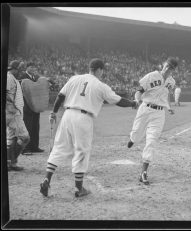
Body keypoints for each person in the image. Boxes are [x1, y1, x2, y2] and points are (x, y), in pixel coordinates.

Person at [39, 58, 137, 198]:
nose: (102, 73)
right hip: (83, 118)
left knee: (59, 148)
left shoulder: (74, 78)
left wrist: (53, 112)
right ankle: (79, 189)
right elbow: (118, 100)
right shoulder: (100, 85)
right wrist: (133, 103)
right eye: (102, 70)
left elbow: (60, 96)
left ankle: (47, 179)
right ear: (99, 69)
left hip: (67, 115)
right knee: (82, 151)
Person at [127, 57, 178, 185]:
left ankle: (143, 172)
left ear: (173, 70)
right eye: (167, 65)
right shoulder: (152, 76)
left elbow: (166, 95)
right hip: (145, 108)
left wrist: (169, 107)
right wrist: (137, 100)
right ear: (163, 64)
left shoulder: (172, 82)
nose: (168, 68)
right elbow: (139, 91)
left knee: (152, 140)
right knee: (137, 134)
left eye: (171, 67)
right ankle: (133, 139)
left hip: (159, 114)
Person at [6, 60, 30, 171]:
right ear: (14, 69)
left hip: (12, 112)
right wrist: (9, 106)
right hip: (13, 113)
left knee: (10, 139)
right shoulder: (9, 77)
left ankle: (10, 163)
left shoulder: (11, 78)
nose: (19, 72)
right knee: (24, 137)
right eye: (18, 70)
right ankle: (11, 161)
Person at [21, 62, 44, 153]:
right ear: (27, 68)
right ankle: (25, 148)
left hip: (36, 106)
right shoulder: (23, 77)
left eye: (34, 67)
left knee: (35, 127)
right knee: (28, 127)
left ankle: (34, 146)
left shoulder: (35, 77)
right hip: (27, 106)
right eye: (31, 67)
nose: (33, 68)